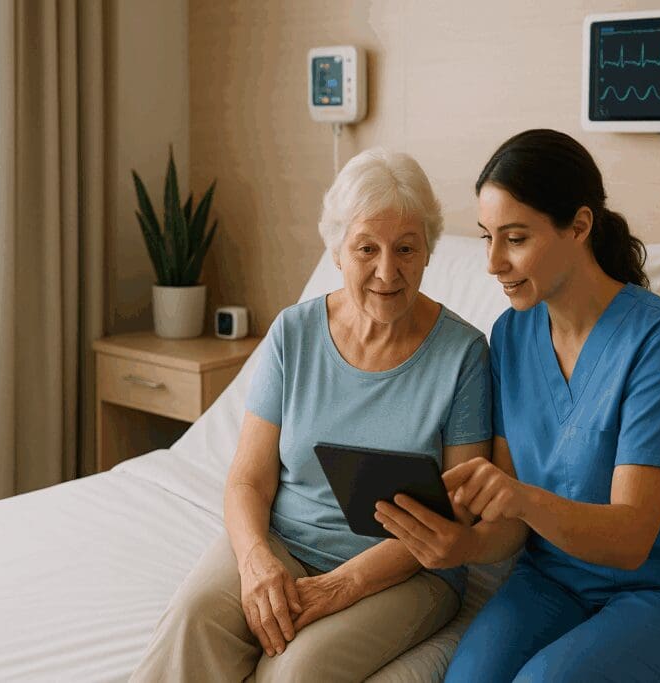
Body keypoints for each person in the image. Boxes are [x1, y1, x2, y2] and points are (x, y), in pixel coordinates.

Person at [375, 129, 660, 682]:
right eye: (486, 238)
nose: (494, 263)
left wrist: (521, 499)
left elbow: (629, 541)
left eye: (516, 238)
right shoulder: (510, 336)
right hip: (556, 579)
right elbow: (509, 525)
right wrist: (463, 545)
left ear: (579, 226)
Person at [131, 149, 491, 682]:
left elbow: (454, 517)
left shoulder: (464, 355)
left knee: (296, 671)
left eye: (406, 249)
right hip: (280, 539)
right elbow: (248, 479)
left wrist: (342, 585)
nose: (388, 271)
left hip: (406, 570)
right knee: (192, 621)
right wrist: (255, 561)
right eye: (367, 248)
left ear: (427, 251)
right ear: (338, 251)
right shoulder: (293, 334)